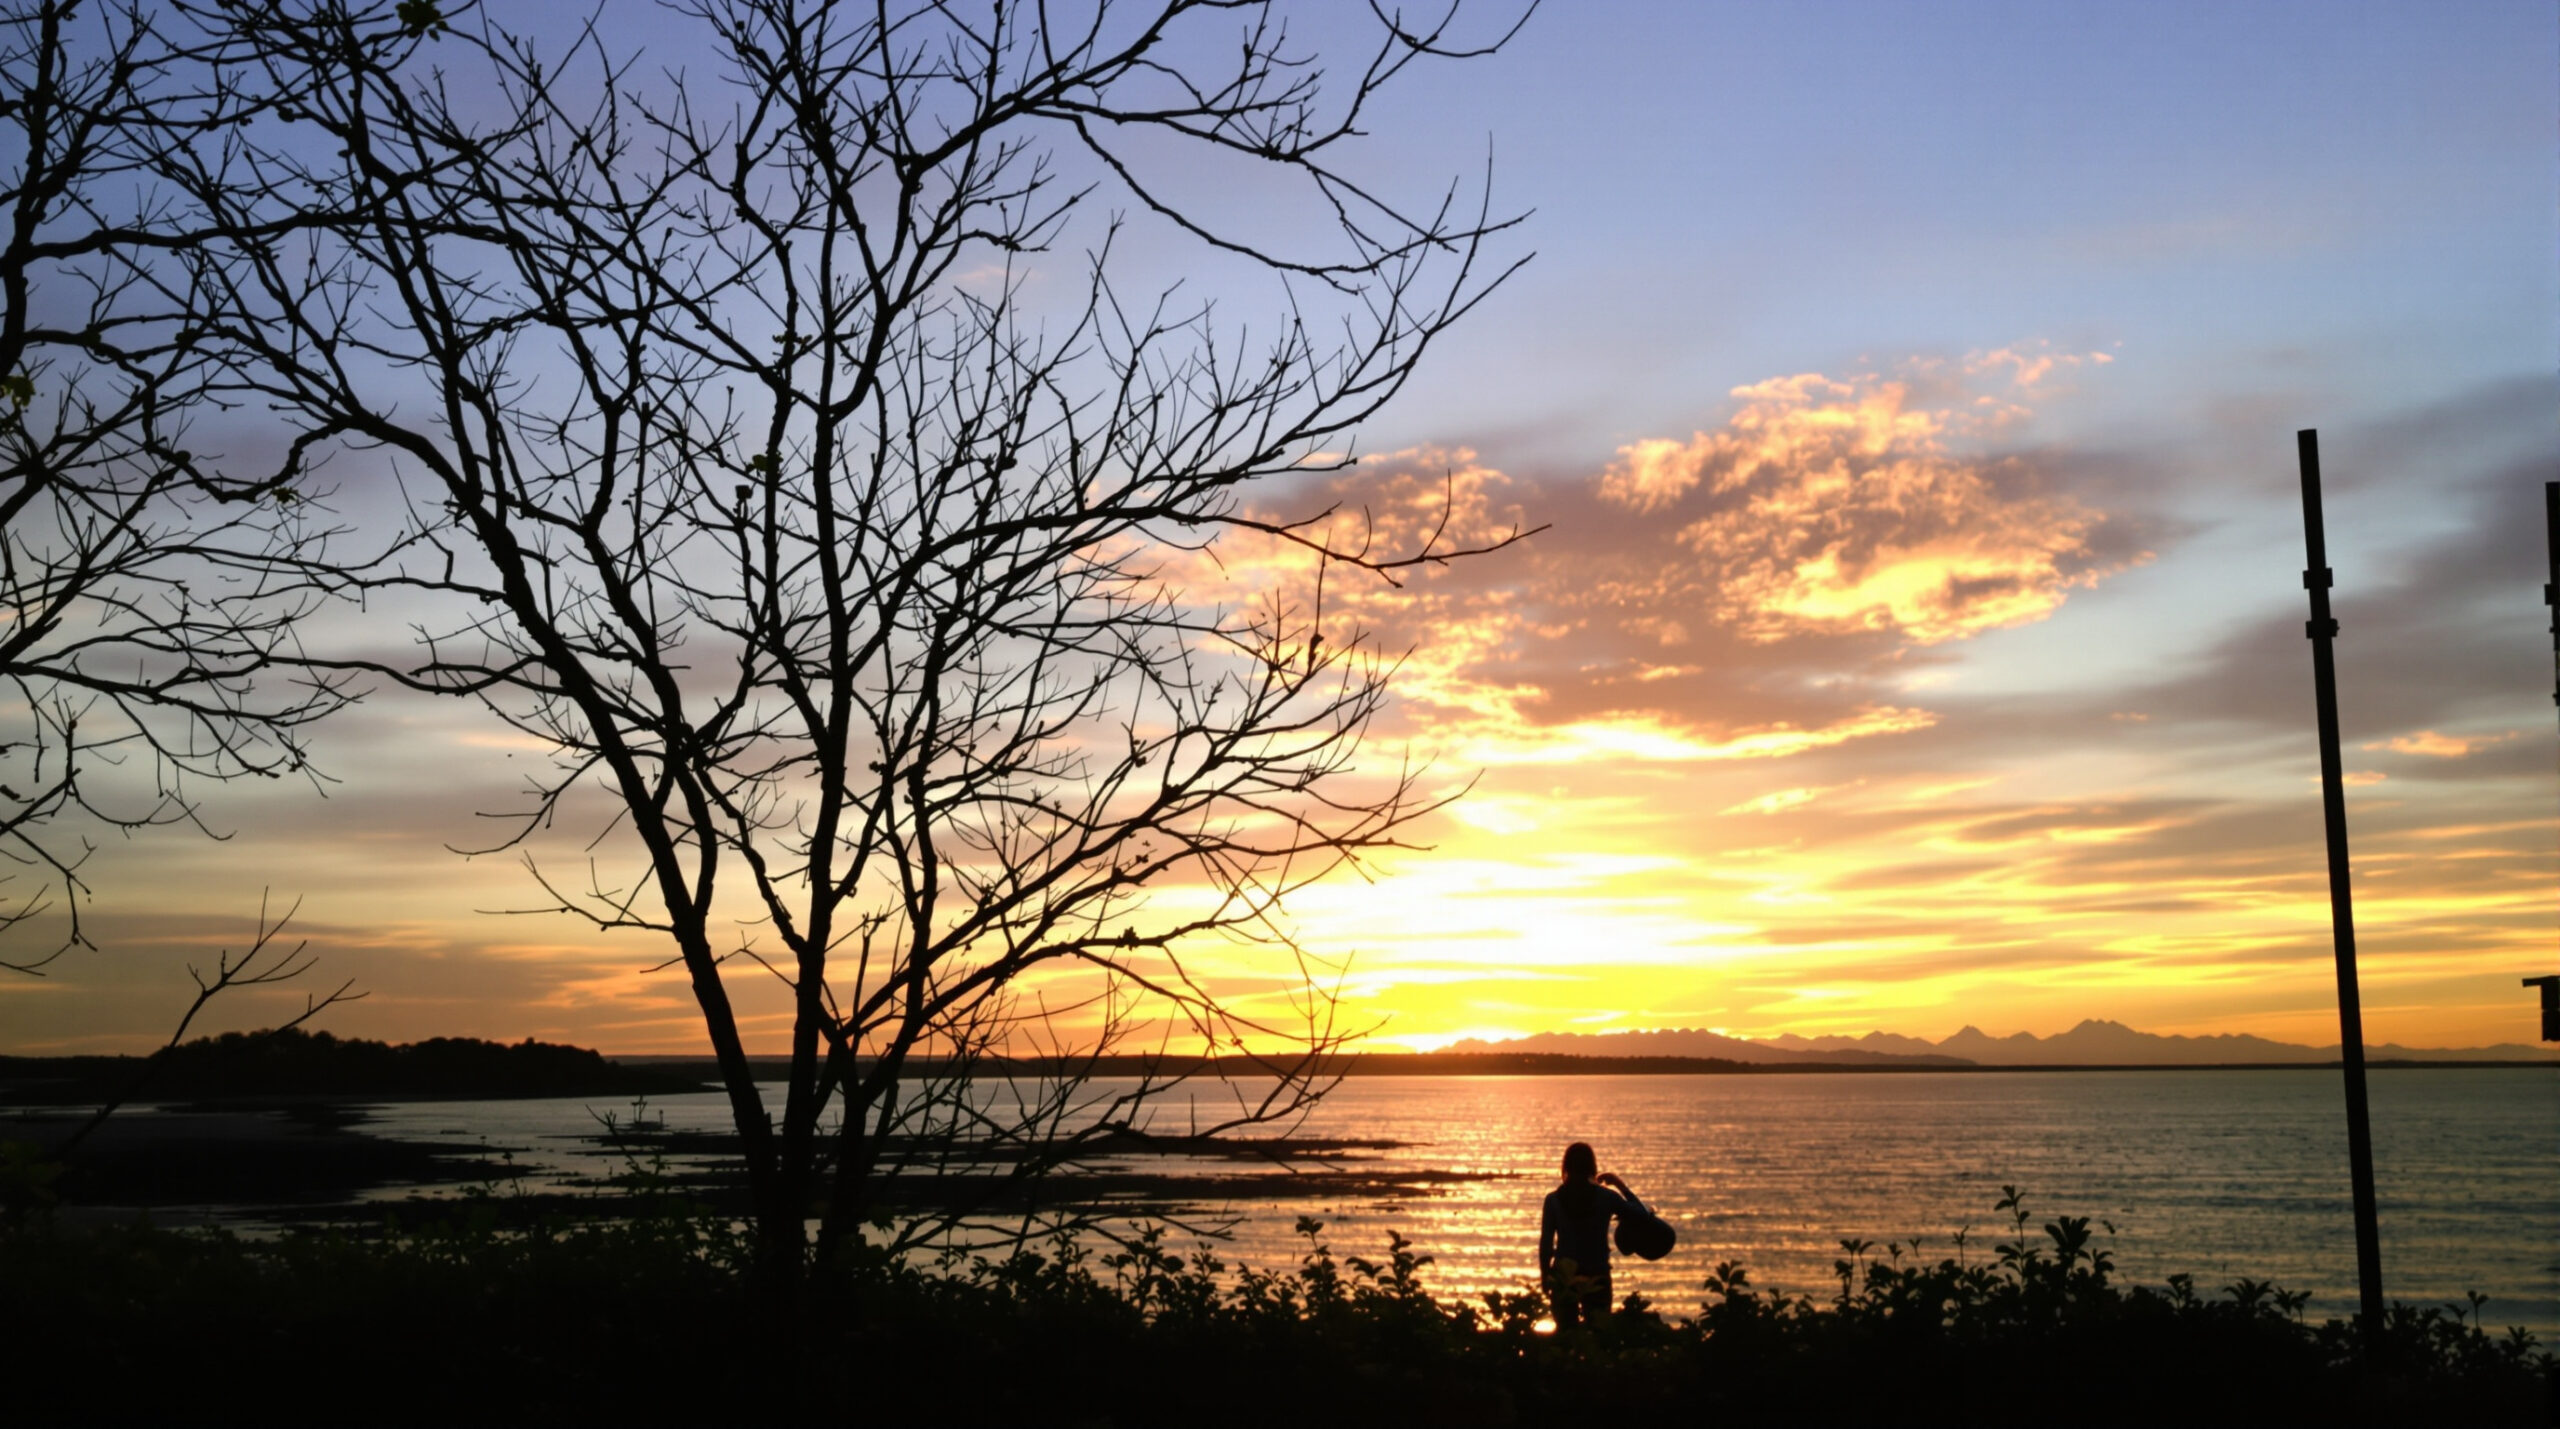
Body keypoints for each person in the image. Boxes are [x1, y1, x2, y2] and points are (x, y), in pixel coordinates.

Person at [1538, 1141, 1649, 1331]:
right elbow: (1641, 1214)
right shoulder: (1607, 1197)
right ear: (1592, 1167)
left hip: (1564, 1276)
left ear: (1566, 1167)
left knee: (1565, 1334)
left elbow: (1546, 1245)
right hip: (1597, 1274)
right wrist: (1618, 1184)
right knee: (1599, 1333)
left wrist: (1545, 1277)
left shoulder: (1553, 1200)